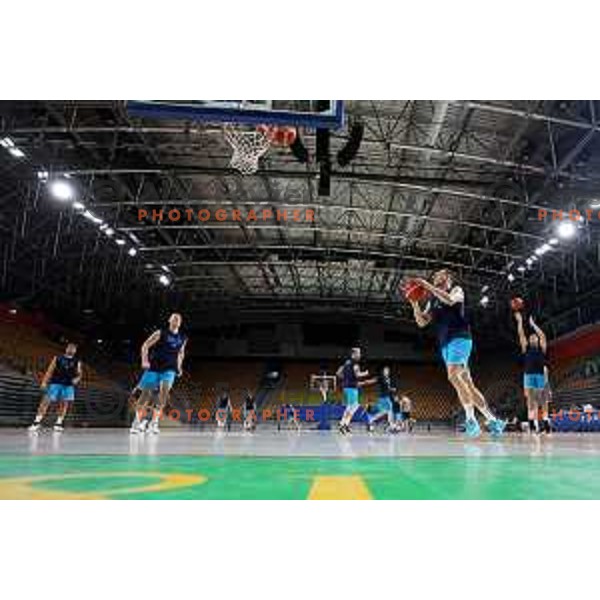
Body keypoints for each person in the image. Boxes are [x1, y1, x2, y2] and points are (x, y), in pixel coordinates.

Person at [409, 269, 505, 437]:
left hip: (460, 338)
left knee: (453, 376)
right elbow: (422, 322)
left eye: (438, 274)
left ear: (447, 278)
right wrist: (415, 303)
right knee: (468, 383)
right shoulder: (432, 301)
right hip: (445, 344)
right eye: (434, 275)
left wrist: (427, 286)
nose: (435, 276)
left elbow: (451, 301)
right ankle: (493, 420)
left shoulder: (456, 290)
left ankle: (471, 420)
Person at [130, 313, 187, 435]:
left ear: (180, 322)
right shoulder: (160, 333)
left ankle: (154, 422)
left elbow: (181, 353)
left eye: (179, 318)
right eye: (174, 317)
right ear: (169, 320)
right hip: (154, 368)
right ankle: (137, 421)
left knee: (164, 392)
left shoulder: (183, 338)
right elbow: (145, 345)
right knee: (146, 394)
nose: (176, 319)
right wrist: (144, 361)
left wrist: (179, 366)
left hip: (169, 369)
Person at [29, 343, 82, 432]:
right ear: (66, 349)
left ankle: (58, 424)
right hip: (55, 383)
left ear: (75, 351)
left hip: (68, 385)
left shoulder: (77, 361)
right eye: (70, 348)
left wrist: (77, 379)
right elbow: (50, 370)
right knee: (46, 401)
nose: (71, 350)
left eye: (73, 349)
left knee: (64, 404)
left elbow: (79, 373)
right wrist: (44, 381)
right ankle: (36, 422)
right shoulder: (58, 358)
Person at [514, 312, 550, 434]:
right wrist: (519, 322)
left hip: (540, 375)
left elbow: (543, 336)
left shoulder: (542, 348)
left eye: (535, 337)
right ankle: (532, 425)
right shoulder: (526, 349)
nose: (533, 337)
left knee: (543, 401)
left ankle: (546, 424)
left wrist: (533, 325)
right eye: (531, 337)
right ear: (529, 341)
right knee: (530, 401)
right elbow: (521, 335)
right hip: (528, 375)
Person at [336, 347, 370, 434]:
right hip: (352, 387)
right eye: (358, 353)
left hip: (347, 387)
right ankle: (343, 424)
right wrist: (365, 373)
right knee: (354, 406)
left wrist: (346, 379)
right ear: (353, 354)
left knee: (352, 406)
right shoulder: (355, 364)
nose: (360, 355)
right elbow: (358, 375)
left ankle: (344, 425)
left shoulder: (346, 363)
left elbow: (338, 373)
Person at [364, 366, 395, 432]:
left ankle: (371, 420)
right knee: (389, 409)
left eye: (388, 370)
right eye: (385, 370)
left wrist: (391, 389)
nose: (387, 372)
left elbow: (388, 388)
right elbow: (373, 381)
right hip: (383, 397)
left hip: (387, 396)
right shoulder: (381, 377)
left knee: (385, 411)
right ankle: (390, 426)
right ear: (383, 371)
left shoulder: (388, 379)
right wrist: (366, 382)